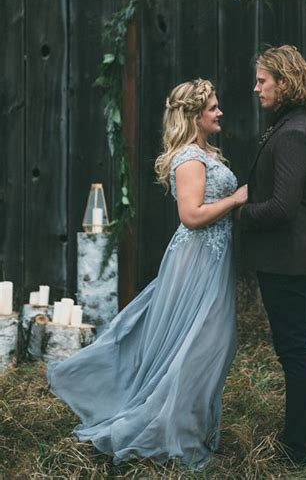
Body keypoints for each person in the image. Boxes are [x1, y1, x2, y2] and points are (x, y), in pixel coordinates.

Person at [47, 78, 247, 468]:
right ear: (193, 115)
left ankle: (189, 427)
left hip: (215, 259)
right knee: (199, 344)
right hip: (196, 260)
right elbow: (191, 217)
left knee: (215, 343)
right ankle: (168, 432)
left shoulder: (208, 152)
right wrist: (237, 198)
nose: (219, 112)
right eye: (212, 107)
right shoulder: (190, 158)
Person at [239, 45, 306, 466]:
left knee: (294, 351)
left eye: (262, 81)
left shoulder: (293, 132)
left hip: (289, 259)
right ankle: (298, 441)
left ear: (284, 83)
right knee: (293, 349)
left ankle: (299, 449)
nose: (256, 89)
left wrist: (241, 213)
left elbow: (282, 207)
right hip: (284, 258)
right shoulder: (287, 124)